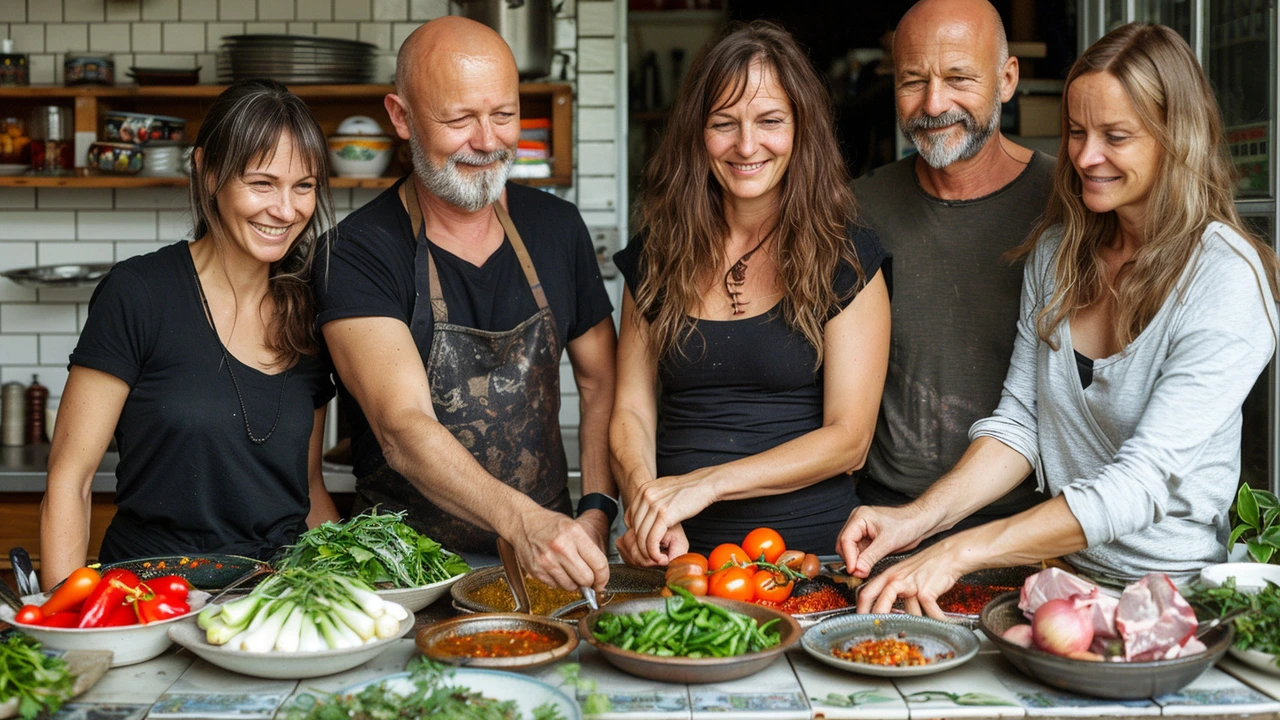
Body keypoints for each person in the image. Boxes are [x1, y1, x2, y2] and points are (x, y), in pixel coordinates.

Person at [843, 23, 1280, 618]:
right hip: (1063, 584)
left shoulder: (1226, 278)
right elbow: (1021, 423)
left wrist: (958, 551)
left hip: (1176, 601)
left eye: (1115, 136)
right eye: (1076, 131)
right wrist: (917, 521)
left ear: (1176, 137)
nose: (1084, 156)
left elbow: (1141, 483)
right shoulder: (1058, 252)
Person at [314, 17, 618, 593]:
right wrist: (522, 521)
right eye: (459, 120)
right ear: (401, 116)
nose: (486, 141)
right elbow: (402, 427)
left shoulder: (557, 229)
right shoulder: (356, 252)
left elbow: (601, 381)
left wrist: (597, 509)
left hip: (550, 565)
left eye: (503, 115)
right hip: (407, 575)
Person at [611, 20, 892, 566]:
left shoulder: (846, 257)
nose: (746, 145)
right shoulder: (657, 255)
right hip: (681, 560)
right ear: (697, 134)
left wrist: (707, 484)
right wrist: (646, 504)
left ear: (801, 129)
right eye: (724, 123)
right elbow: (631, 412)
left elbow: (850, 440)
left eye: (770, 121)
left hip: (807, 560)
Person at [40, 79, 341, 587]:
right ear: (208, 171)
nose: (286, 210)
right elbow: (70, 482)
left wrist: (359, 593)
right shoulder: (138, 294)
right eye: (262, 183)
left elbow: (308, 489)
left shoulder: (309, 309)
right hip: (151, 597)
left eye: (304, 186)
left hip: (276, 600)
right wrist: (66, 619)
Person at [851, 0, 1054, 548]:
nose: (934, 103)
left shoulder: (1068, 207)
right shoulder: (857, 208)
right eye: (913, 81)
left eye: (959, 78)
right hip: (883, 526)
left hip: (1026, 531)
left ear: (1007, 80)